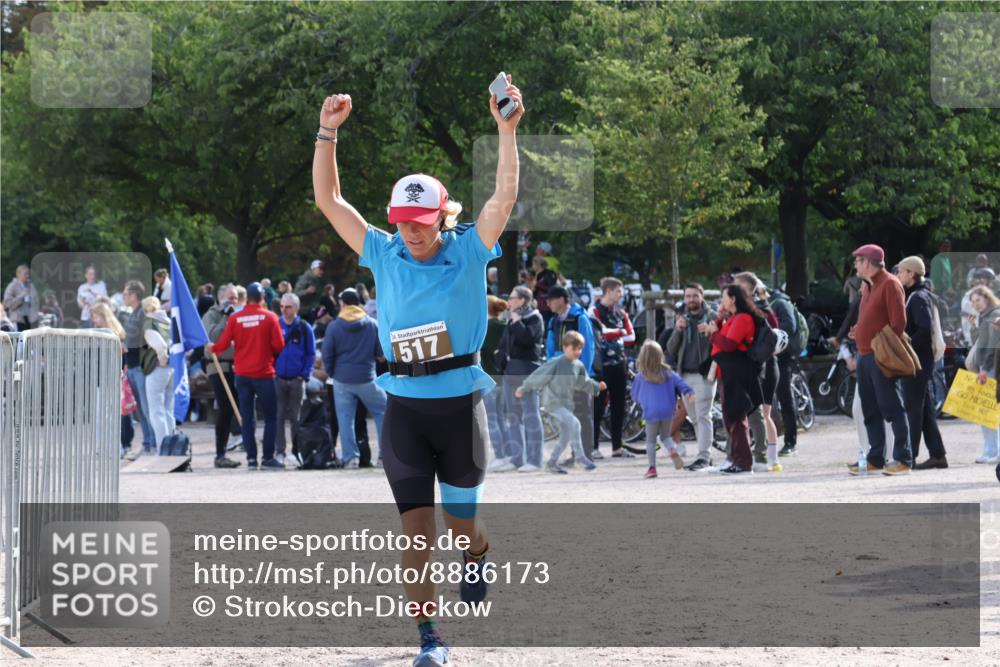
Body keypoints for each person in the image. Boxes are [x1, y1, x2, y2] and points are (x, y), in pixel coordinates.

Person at [311, 76, 523, 667]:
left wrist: (506, 130)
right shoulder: (382, 252)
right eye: (403, 221)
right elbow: (330, 201)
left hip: (460, 405)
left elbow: (502, 199)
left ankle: (477, 555)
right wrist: (327, 133)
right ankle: (429, 635)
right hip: (405, 405)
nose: (412, 230)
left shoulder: (469, 247)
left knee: (461, 531)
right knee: (416, 533)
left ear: (440, 215)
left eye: (421, 221)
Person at [206, 281, 286, 470]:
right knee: (270, 417)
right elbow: (279, 346)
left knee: (247, 418)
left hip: (242, 375)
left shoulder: (235, 319)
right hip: (264, 373)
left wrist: (213, 349)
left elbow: (223, 343)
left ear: (246, 298)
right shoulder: (270, 317)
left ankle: (251, 459)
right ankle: (267, 458)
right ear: (263, 298)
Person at [847, 244, 912, 475]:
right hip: (864, 354)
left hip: (880, 355)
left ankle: (903, 458)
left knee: (892, 407)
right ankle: (875, 457)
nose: (854, 265)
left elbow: (898, 323)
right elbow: (871, 318)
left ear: (867, 263)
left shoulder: (890, 284)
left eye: (857, 261)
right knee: (870, 409)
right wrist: (859, 330)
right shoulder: (867, 286)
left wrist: (882, 345)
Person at [516, 331, 605, 473]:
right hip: (552, 403)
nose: (577, 352)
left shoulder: (578, 365)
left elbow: (584, 382)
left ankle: (551, 462)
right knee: (575, 423)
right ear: (565, 347)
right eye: (573, 348)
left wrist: (596, 386)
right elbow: (540, 375)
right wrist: (524, 387)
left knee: (565, 436)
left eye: (579, 349)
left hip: (566, 405)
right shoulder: (556, 362)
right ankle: (581, 458)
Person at [321, 288, 386, 468]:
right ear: (359, 303)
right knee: (383, 411)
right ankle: (384, 456)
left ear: (342, 304)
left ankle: (351, 458)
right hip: (367, 378)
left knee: (345, 419)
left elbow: (327, 354)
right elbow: (381, 355)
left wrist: (333, 373)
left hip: (342, 379)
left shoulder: (334, 326)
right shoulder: (372, 324)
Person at [705, 284, 764, 474]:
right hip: (728, 371)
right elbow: (724, 337)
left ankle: (744, 463)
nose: (721, 301)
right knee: (732, 417)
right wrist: (719, 320)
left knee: (736, 417)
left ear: (733, 299)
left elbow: (729, 344)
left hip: (736, 372)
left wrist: (714, 333)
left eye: (724, 297)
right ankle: (738, 460)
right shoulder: (733, 318)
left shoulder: (743, 318)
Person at [897, 257, 947, 469]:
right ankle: (937, 454)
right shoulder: (921, 295)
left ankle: (910, 457)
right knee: (924, 408)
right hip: (921, 360)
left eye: (901, 271)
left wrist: (905, 345)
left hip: (917, 361)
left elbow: (924, 329)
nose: (898, 275)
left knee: (913, 409)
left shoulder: (917, 297)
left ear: (912, 274)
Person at [661, 283, 718, 471]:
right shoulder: (682, 318)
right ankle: (704, 457)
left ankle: (704, 456)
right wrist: (677, 329)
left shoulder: (711, 317)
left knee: (703, 416)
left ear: (702, 296)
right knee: (694, 417)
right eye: (688, 296)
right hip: (684, 375)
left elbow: (720, 344)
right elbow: (670, 348)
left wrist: (710, 333)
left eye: (694, 296)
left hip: (704, 374)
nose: (691, 299)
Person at [732, 273, 783, 472]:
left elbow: (773, 334)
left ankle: (770, 457)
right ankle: (765, 457)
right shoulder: (745, 310)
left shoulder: (761, 310)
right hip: (756, 366)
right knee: (758, 412)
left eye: (736, 286)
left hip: (767, 365)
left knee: (764, 412)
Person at [545, 284, 602, 462]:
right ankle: (575, 453)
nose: (547, 304)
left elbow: (588, 348)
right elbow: (550, 348)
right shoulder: (553, 321)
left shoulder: (580, 318)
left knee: (583, 415)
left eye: (550, 300)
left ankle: (585, 454)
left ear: (562, 299)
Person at [495, 285, 546, 472]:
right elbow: (504, 345)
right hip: (511, 372)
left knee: (531, 416)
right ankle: (517, 459)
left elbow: (528, 340)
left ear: (523, 300)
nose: (508, 301)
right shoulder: (512, 319)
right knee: (513, 417)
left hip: (527, 373)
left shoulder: (534, 318)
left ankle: (535, 460)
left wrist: (517, 322)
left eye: (512, 297)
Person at [631, 340, 694, 478]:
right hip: (667, 411)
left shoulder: (641, 376)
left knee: (651, 441)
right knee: (665, 436)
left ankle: (652, 468)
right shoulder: (668, 373)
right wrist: (688, 393)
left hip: (651, 412)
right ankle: (672, 450)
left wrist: (641, 400)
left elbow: (634, 396)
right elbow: (681, 384)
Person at [590, 277, 635, 459]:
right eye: (618, 291)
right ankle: (593, 447)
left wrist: (615, 334)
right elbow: (599, 334)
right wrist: (619, 333)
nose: (621, 295)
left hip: (619, 365)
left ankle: (617, 447)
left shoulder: (621, 313)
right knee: (597, 406)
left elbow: (631, 338)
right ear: (608, 290)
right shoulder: (594, 310)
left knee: (619, 406)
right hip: (601, 367)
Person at [201, 284, 241, 468]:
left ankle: (247, 447)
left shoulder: (240, 314)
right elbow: (213, 338)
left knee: (241, 408)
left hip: (240, 367)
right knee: (225, 409)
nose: (233, 302)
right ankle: (220, 454)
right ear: (220, 298)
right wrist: (227, 318)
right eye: (229, 298)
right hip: (219, 367)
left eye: (235, 298)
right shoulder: (211, 315)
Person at [275, 292, 317, 466]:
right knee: (278, 416)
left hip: (297, 379)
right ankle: (280, 451)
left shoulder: (304, 327)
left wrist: (304, 375)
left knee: (296, 417)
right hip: (278, 378)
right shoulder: (276, 324)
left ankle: (296, 450)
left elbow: (311, 353)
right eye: (282, 306)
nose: (284, 310)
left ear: (297, 308)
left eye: (288, 306)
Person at [121, 281, 157, 456]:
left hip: (141, 368)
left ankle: (153, 442)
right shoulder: (133, 313)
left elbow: (145, 338)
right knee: (141, 410)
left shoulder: (142, 313)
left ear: (134, 295)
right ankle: (148, 442)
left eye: (126, 294)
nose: (124, 297)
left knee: (146, 407)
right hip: (133, 367)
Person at [969, 285, 1000, 464]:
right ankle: (990, 450)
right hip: (985, 366)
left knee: (989, 411)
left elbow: (992, 347)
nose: (976, 305)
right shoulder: (985, 317)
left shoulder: (994, 316)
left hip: (990, 367)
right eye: (973, 302)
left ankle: (993, 450)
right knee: (984, 411)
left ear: (987, 298)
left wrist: (985, 369)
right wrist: (974, 327)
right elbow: (978, 343)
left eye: (978, 300)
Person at [768, 285, 800, 457]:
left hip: (782, 357)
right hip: (768, 357)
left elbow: (790, 327)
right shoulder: (764, 305)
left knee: (785, 399)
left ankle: (790, 442)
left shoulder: (780, 303)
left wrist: (769, 336)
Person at [481, 296, 512, 470]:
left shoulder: (486, 327)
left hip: (489, 377)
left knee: (492, 419)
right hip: (503, 376)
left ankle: (501, 455)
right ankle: (508, 454)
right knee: (501, 418)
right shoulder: (505, 325)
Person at [141, 296, 174, 451]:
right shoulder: (168, 321)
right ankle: (173, 445)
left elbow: (159, 345)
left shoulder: (149, 322)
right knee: (168, 410)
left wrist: (162, 357)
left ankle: (163, 447)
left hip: (157, 368)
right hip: (172, 369)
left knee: (156, 411)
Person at [3, 265, 39, 331]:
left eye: (28, 274)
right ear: (18, 274)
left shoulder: (31, 286)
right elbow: (7, 304)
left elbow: (36, 301)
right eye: (25, 274)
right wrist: (21, 296)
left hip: (30, 320)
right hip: (18, 321)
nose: (27, 276)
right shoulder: (12, 286)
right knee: (20, 340)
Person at [532, 256, 559, 328]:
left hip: (547, 306)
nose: (532, 266)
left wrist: (537, 285)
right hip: (539, 305)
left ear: (538, 264)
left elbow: (551, 288)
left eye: (533, 264)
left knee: (547, 324)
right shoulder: (538, 275)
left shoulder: (549, 274)